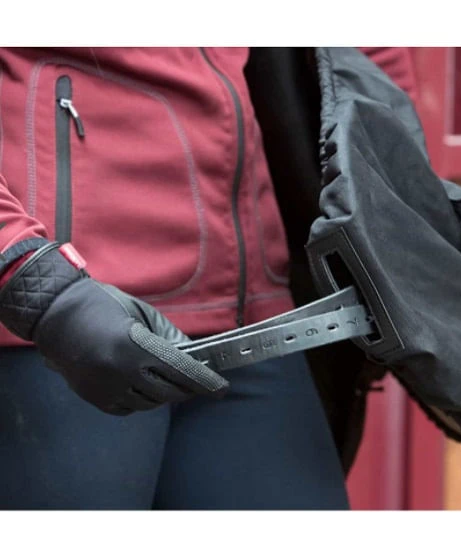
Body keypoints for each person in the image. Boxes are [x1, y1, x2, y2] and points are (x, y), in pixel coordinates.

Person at [0, 47, 416, 510]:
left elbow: (366, 56)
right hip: (63, 330)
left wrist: (394, 197)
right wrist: (40, 287)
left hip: (254, 316)